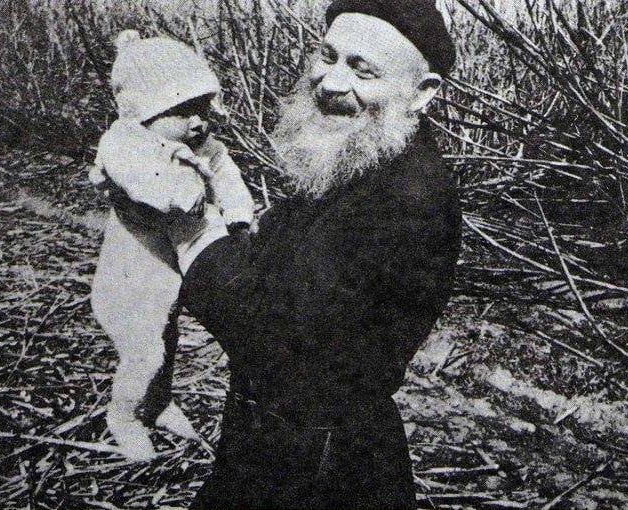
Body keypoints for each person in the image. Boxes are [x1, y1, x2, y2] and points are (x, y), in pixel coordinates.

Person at [103, 0, 460, 506]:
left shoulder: (408, 198)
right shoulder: (362, 157)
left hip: (320, 469)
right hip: (279, 442)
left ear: (421, 93)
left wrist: (190, 228)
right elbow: (273, 268)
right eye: (328, 55)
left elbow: (279, 335)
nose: (331, 82)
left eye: (363, 71)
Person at [89, 30, 254, 461]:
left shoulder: (203, 145)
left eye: (202, 107)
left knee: (167, 338)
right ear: (146, 112)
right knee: (144, 352)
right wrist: (180, 191)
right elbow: (141, 180)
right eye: (183, 110)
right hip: (131, 270)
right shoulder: (125, 143)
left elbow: (227, 176)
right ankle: (123, 415)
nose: (198, 121)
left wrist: (238, 215)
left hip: (168, 271)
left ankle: (158, 404)